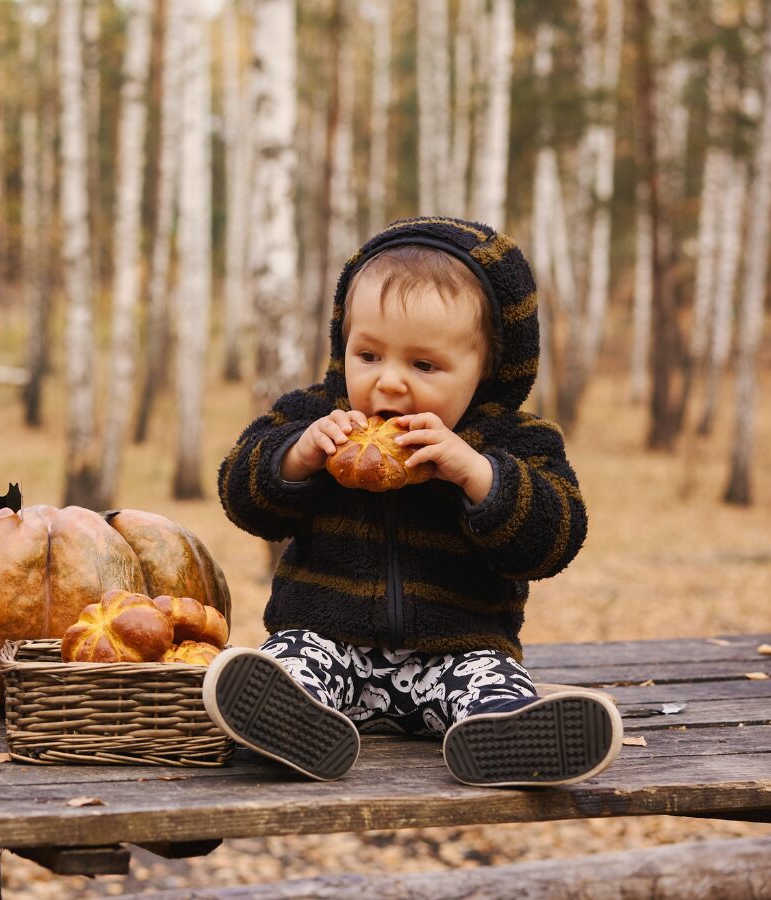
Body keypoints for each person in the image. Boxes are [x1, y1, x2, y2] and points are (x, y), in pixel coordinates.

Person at [204, 215, 622, 787]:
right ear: (341, 344)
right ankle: (289, 724)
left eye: (424, 365)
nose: (390, 384)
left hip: (457, 654)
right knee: (292, 662)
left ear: (487, 369)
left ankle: (508, 737)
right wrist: (293, 460)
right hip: (332, 645)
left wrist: (478, 476)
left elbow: (555, 539)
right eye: (369, 356)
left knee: (492, 682)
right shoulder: (314, 418)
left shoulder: (510, 441)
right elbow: (241, 495)